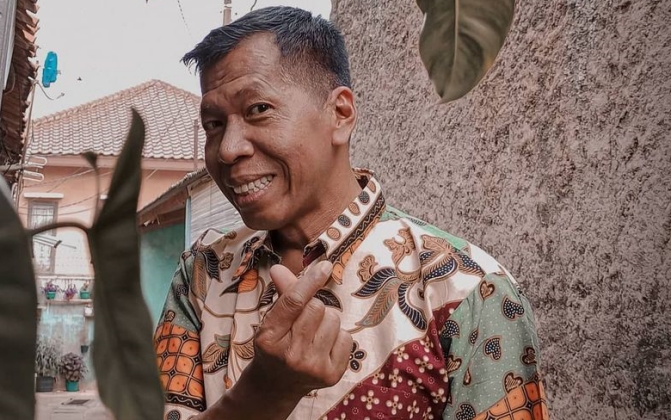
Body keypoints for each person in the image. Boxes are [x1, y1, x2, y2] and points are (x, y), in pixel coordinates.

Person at [153, 6, 548, 420]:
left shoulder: (468, 292)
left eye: (258, 110)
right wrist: (264, 394)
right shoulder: (203, 273)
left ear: (340, 114)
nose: (228, 149)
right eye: (213, 124)